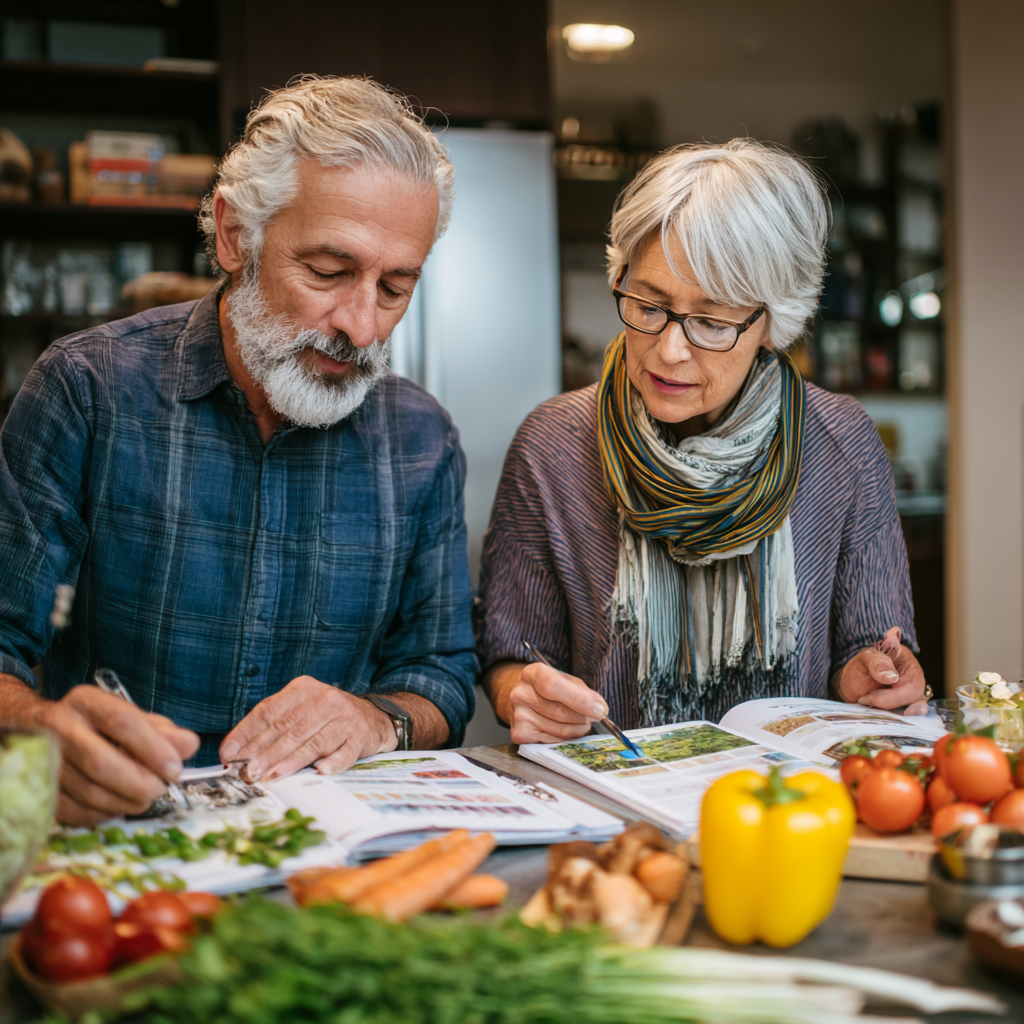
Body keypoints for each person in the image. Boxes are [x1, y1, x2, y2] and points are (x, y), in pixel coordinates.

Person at [0, 77, 477, 825]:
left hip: (328, 841)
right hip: (117, 833)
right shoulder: (87, 388)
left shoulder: (422, 438)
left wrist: (377, 719)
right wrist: (37, 728)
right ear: (234, 235)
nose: (361, 328)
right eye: (328, 272)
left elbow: (440, 672)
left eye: (395, 287)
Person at [477, 139, 928, 745]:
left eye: (712, 322)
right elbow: (509, 654)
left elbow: (872, 647)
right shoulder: (553, 444)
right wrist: (523, 693)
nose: (669, 350)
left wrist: (873, 676)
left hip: (788, 789)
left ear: (773, 323)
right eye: (648, 305)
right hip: (619, 787)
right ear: (619, 279)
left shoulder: (840, 442)